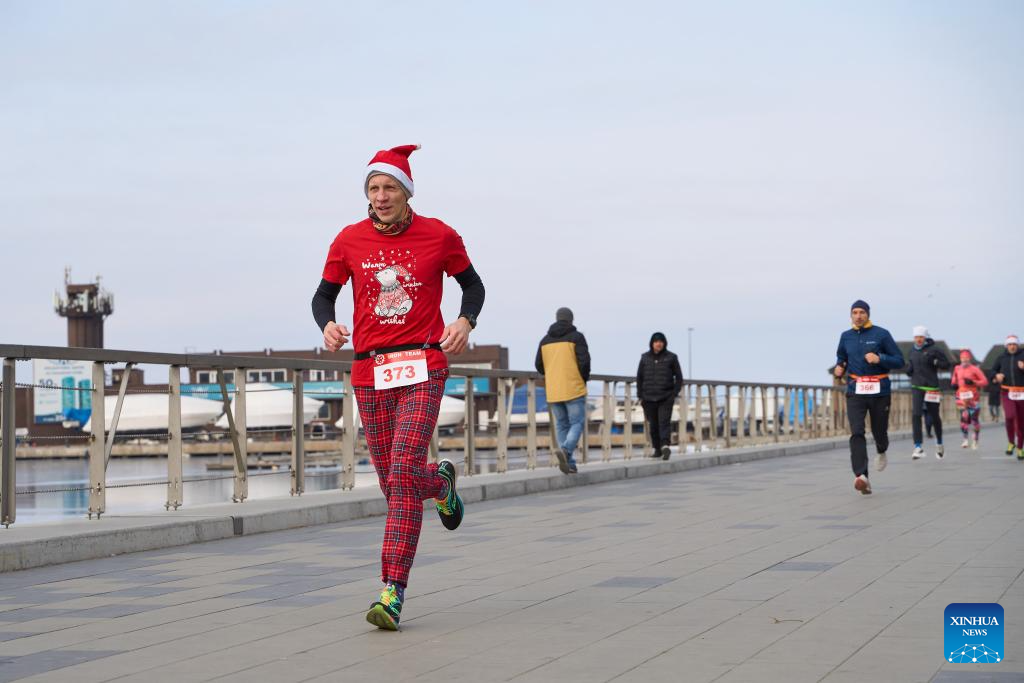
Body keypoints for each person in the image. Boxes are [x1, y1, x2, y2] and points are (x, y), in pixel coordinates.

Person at [311, 144, 485, 631]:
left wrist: (465, 321)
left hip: (423, 364)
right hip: (370, 372)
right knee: (395, 482)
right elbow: (323, 296)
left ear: (407, 192)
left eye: (390, 187)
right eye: (374, 187)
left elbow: (473, 286)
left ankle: (391, 592)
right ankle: (441, 483)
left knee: (404, 467)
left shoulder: (440, 235)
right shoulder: (348, 239)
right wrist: (328, 325)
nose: (381, 196)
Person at [834, 300, 904, 494]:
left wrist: (880, 358)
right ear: (851, 315)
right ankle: (861, 476)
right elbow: (841, 357)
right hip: (855, 390)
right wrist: (840, 367)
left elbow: (899, 361)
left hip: (879, 390)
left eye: (862, 312)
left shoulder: (881, 334)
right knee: (857, 431)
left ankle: (881, 450)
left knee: (879, 431)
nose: (858, 316)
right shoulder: (846, 336)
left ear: (868, 314)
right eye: (855, 312)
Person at [536, 307, 591, 474]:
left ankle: (570, 463)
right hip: (574, 387)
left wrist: (552, 374)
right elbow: (584, 362)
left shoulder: (545, 340)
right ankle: (566, 451)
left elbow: (538, 365)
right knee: (577, 423)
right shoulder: (577, 337)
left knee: (561, 425)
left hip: (554, 389)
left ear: (557, 318)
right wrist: (583, 378)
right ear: (571, 319)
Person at [637, 332, 684, 460]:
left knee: (664, 423)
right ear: (652, 343)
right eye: (656, 341)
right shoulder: (644, 358)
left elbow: (679, 378)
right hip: (648, 398)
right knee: (653, 425)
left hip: (666, 397)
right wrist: (640, 396)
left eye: (661, 341)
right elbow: (639, 377)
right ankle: (657, 449)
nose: (659, 344)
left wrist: (674, 394)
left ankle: (665, 446)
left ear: (664, 343)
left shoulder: (671, 357)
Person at [906, 326, 951, 460]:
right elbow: (911, 367)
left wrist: (936, 362)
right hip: (917, 386)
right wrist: (909, 369)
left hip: (931, 388)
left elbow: (946, 364)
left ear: (925, 337)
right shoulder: (912, 351)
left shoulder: (934, 350)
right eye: (916, 337)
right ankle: (918, 446)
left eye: (921, 337)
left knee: (934, 416)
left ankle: (939, 443)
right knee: (916, 414)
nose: (918, 339)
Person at [988, 334, 1024, 459]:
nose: (1012, 346)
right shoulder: (1001, 357)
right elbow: (992, 371)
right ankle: (1011, 442)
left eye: (1014, 344)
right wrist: (996, 376)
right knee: (1009, 416)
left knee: (1021, 422)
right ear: (1006, 345)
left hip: (1022, 393)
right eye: (1010, 344)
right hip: (1007, 392)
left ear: (1017, 345)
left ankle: (1020, 448)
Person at [951, 350, 988, 450]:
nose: (965, 360)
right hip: (961, 397)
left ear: (969, 359)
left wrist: (973, 382)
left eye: (966, 358)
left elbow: (985, 382)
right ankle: (965, 439)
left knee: (974, 419)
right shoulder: (957, 368)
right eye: (963, 358)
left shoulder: (975, 369)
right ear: (960, 359)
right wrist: (954, 384)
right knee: (964, 418)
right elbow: (954, 379)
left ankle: (975, 439)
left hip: (973, 398)